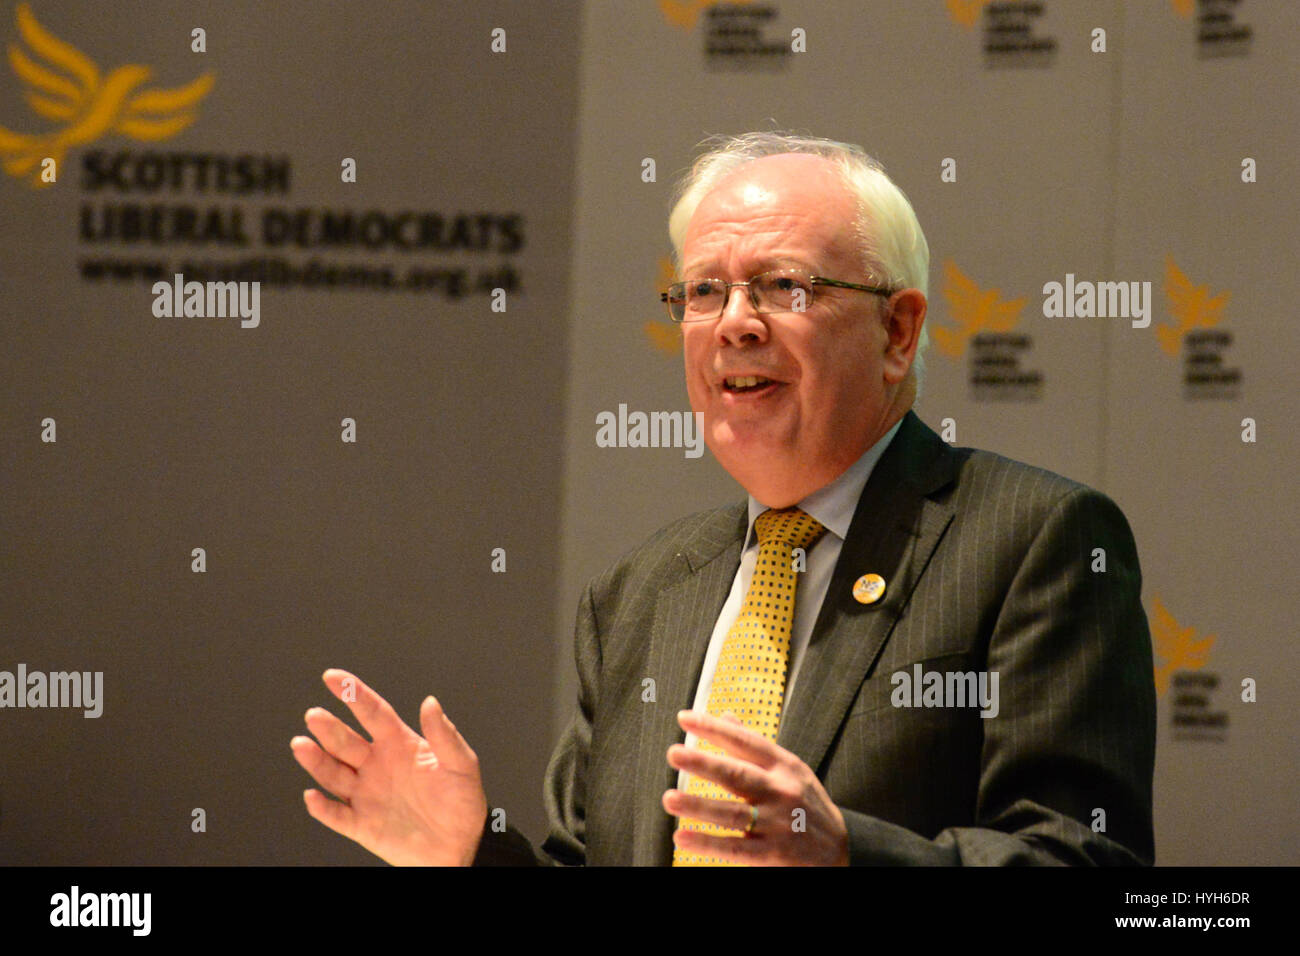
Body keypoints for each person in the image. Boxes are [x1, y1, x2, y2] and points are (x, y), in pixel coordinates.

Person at [290, 132, 1156, 866]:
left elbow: (1088, 862)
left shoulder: (1033, 541)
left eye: (785, 287)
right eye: (705, 291)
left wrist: (846, 854)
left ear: (897, 331)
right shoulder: (640, 592)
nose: (736, 322)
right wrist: (471, 853)